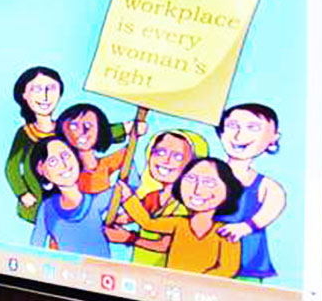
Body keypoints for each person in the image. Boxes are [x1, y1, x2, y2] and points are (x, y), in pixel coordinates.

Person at [118, 157, 242, 277]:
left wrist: (194, 281)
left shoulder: (227, 232)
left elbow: (228, 269)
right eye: (191, 179)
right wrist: (128, 198)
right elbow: (148, 223)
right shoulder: (179, 223)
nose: (197, 190)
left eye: (209, 183)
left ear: (228, 189)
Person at [112, 130, 208, 267]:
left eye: (178, 157)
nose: (166, 160)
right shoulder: (153, 197)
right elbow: (128, 217)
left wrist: (128, 238)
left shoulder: (187, 205)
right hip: (139, 265)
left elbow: (164, 245)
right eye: (160, 152)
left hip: (167, 269)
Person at [215, 103, 285, 282]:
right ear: (221, 131)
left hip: (247, 262)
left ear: (273, 138)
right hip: (207, 255)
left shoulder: (266, 185)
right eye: (232, 126)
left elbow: (273, 206)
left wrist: (246, 227)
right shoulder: (207, 173)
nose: (239, 135)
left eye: (253, 127)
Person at [29, 136, 114, 258]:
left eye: (65, 155)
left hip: (99, 268)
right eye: (53, 161)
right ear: (41, 169)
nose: (64, 164)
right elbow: (35, 247)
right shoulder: (46, 209)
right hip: (65, 268)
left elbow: (126, 187)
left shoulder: (95, 202)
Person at [6, 66, 63, 223]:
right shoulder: (25, 133)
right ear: (24, 94)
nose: (45, 96)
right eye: (37, 89)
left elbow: (93, 133)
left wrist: (124, 128)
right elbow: (12, 167)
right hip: (36, 201)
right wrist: (22, 193)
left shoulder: (65, 127)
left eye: (51, 88)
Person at [56, 103, 143, 194]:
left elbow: (125, 157)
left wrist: (128, 191)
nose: (82, 131)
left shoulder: (106, 164)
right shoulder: (67, 170)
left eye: (88, 126)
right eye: (74, 126)